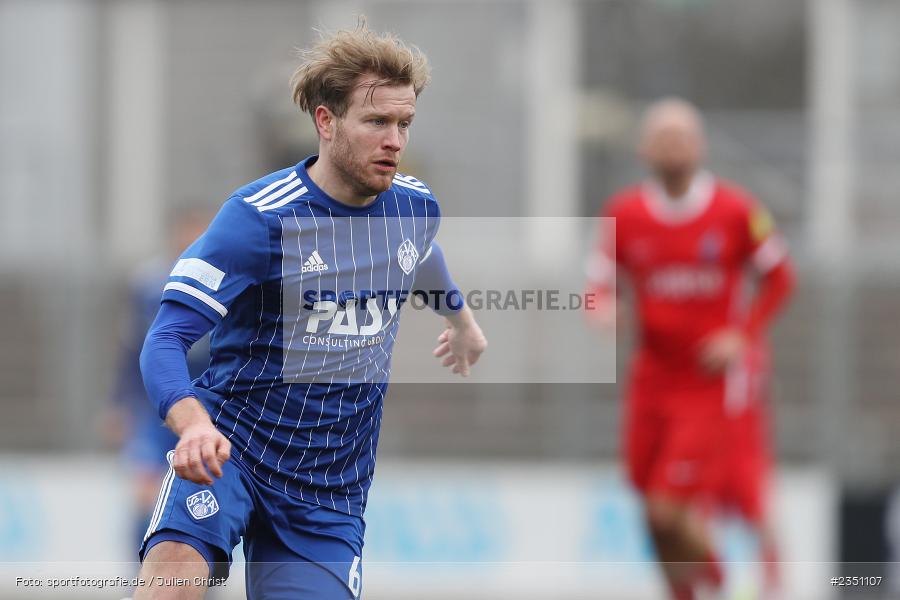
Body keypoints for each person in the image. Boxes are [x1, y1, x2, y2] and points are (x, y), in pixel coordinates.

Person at [133, 22, 487, 600]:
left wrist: (462, 321)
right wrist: (193, 425)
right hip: (231, 449)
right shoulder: (259, 218)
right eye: (376, 122)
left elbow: (424, 258)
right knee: (171, 582)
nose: (394, 140)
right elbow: (165, 339)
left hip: (328, 491)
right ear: (326, 121)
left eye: (404, 124)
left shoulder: (414, 208)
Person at [585, 98, 795, 599]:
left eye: (681, 137)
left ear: (700, 147)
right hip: (651, 379)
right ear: (644, 149)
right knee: (650, 514)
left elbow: (780, 278)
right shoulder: (624, 214)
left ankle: (721, 579)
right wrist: (602, 308)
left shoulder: (737, 210)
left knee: (671, 508)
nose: (672, 148)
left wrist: (742, 334)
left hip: (707, 385)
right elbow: (596, 285)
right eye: (662, 138)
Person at [106, 209, 211, 546]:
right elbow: (131, 346)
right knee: (146, 492)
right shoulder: (148, 283)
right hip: (153, 405)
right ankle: (141, 567)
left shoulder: (224, 281)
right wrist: (119, 403)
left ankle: (201, 573)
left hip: (205, 406)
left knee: (202, 494)